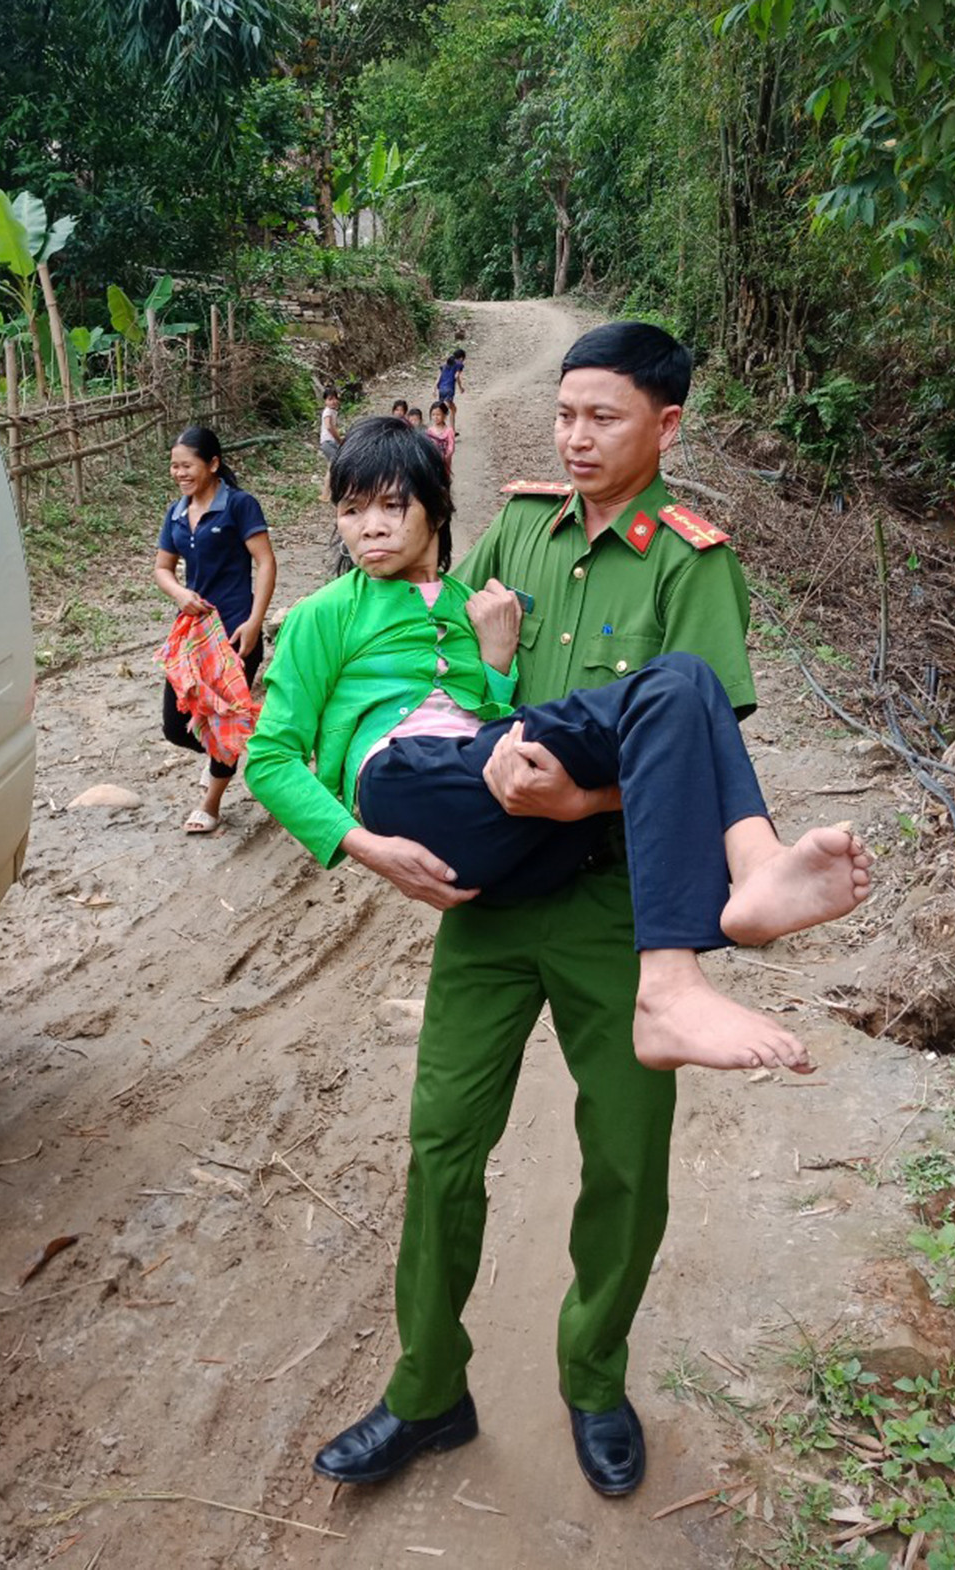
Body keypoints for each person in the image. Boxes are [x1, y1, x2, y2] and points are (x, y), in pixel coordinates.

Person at [290, 322, 781, 1499]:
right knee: (441, 1144)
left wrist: (578, 802)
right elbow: (449, 690)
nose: (573, 437)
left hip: (619, 897)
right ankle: (427, 1391)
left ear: (667, 426)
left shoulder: (692, 563)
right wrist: (389, 820)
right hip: (497, 906)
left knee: (626, 1159)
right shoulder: (514, 525)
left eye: (601, 417)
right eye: (564, 415)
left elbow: (694, 751)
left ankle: (593, 1375)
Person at [246, 415, 868, 1076]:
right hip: (403, 782)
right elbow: (269, 757)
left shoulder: (476, 604)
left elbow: (492, 722)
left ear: (437, 507)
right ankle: (739, 880)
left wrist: (496, 663)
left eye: (393, 506)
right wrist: (368, 849)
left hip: (498, 808)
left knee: (685, 681)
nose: (370, 526)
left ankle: (688, 960)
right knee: (655, 694)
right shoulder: (325, 613)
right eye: (351, 509)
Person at [155, 425, 276, 833]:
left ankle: (211, 804)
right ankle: (225, 753)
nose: (179, 473)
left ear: (213, 464)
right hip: (192, 635)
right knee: (175, 726)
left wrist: (255, 622)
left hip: (235, 633)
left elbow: (265, 562)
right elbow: (162, 569)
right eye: (174, 466)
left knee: (224, 725)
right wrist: (179, 595)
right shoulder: (175, 512)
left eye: (186, 465)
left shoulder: (240, 506)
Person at [435, 348, 466, 427]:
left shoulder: (444, 365)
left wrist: (434, 389)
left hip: (441, 389)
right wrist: (461, 388)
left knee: (453, 409)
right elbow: (456, 376)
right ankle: (440, 429)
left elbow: (439, 378)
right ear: (461, 358)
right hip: (449, 389)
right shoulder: (459, 364)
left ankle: (452, 430)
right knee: (442, 411)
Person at [424, 400, 455, 472]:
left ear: (444, 415)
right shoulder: (429, 431)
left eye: (438, 414)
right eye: (433, 414)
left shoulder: (449, 431)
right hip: (432, 462)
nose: (435, 417)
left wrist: (445, 456)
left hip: (445, 463)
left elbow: (451, 447)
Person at [319, 388, 342, 464]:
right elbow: (329, 426)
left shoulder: (333, 411)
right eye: (330, 399)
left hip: (331, 442)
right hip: (328, 442)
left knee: (334, 463)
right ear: (325, 401)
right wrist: (338, 439)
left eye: (335, 399)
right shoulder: (327, 411)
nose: (333, 401)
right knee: (336, 463)